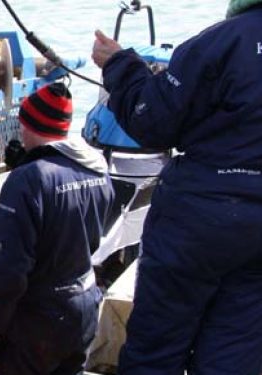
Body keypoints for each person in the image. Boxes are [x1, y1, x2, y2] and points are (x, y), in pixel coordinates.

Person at [91, 1, 262, 373]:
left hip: (200, 217)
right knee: (235, 354)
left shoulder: (222, 41)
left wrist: (119, 65)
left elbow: (151, 120)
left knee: (156, 351)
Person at [0, 82, 114, 374]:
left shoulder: (26, 181)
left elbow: (10, 268)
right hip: (84, 305)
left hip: (39, 319)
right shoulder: (96, 169)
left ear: (30, 125)